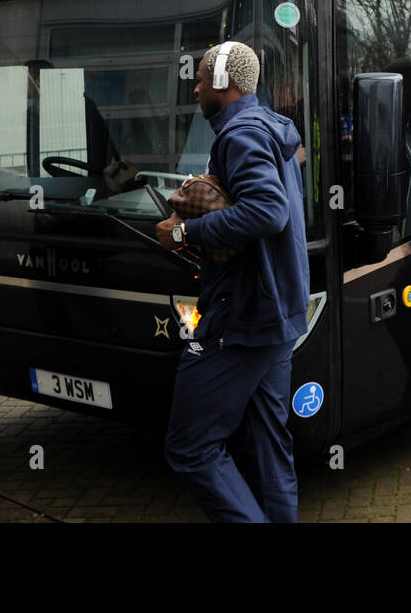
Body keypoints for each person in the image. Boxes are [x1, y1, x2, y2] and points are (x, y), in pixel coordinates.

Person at [155, 41, 309, 523]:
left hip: (241, 317)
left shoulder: (239, 134)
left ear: (223, 82)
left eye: (201, 78)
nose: (196, 87)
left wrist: (183, 231)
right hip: (277, 315)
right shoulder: (267, 127)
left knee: (190, 447)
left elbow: (267, 211)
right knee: (268, 447)